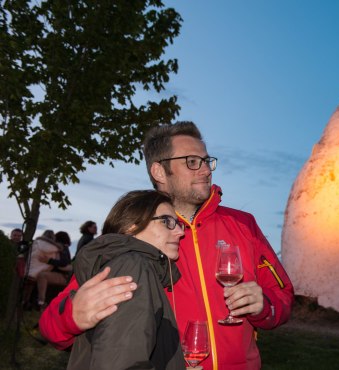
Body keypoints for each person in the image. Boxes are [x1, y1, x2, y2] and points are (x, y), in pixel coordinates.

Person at [40, 122, 294, 369]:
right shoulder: (140, 236)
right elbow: (54, 325)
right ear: (159, 172)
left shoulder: (243, 224)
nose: (206, 170)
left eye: (207, 161)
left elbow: (282, 295)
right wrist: (72, 317)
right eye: (192, 162)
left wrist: (264, 306)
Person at [67, 190, 185, 370]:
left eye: (177, 223)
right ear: (132, 226)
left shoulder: (132, 267)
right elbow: (119, 363)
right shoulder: (132, 267)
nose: (180, 232)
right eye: (167, 221)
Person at [22, 230, 63, 308]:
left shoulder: (36, 243)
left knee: (25, 288)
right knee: (33, 289)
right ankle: (30, 303)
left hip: (29, 270)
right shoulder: (56, 249)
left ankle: (24, 302)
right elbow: (54, 263)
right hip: (40, 273)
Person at [35, 231, 73, 309]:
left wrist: (49, 261)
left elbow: (64, 263)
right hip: (63, 275)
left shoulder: (62, 248)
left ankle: (41, 301)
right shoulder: (63, 249)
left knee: (42, 276)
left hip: (63, 276)